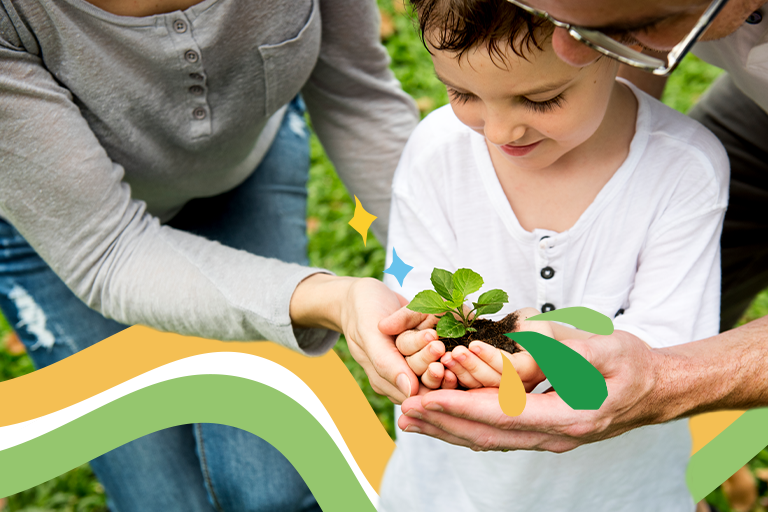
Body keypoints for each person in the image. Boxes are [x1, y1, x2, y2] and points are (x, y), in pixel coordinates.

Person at [0, 0, 422, 510]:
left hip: (239, 174)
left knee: (272, 491)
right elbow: (110, 250)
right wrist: (329, 298)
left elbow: (358, 98)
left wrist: (452, 296)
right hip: (66, 227)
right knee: (164, 502)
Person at [377, 0, 728, 510]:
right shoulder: (437, 152)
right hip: (452, 492)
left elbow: (673, 347)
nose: (499, 132)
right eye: (462, 93)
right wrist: (430, 351)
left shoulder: (683, 169)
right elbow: (415, 300)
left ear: (623, 41)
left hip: (618, 491)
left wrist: (556, 350)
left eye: (539, 100)